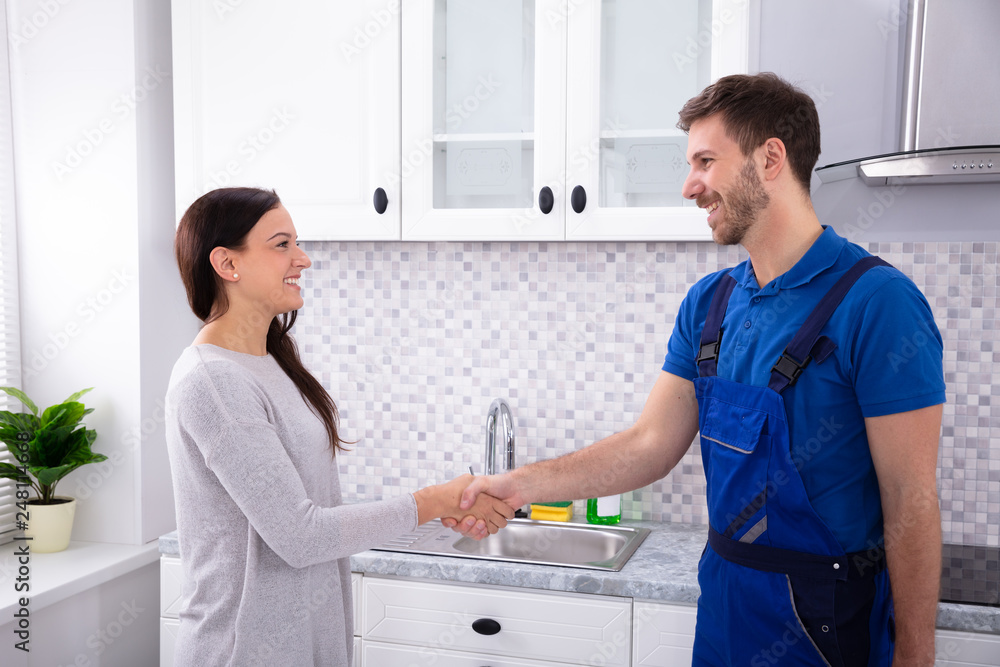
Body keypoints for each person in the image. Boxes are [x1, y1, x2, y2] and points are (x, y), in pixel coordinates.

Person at [451, 73, 944, 666]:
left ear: (770, 158)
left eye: (706, 161)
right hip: (725, 614)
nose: (690, 186)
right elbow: (651, 444)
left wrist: (916, 653)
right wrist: (520, 483)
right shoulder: (709, 305)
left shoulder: (879, 304)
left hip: (827, 627)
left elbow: (910, 497)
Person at [165, 187, 513, 667]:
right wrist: (433, 501)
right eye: (281, 244)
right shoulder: (214, 381)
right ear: (227, 264)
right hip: (242, 649)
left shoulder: (268, 363)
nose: (302, 259)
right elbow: (302, 535)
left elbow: (310, 515)